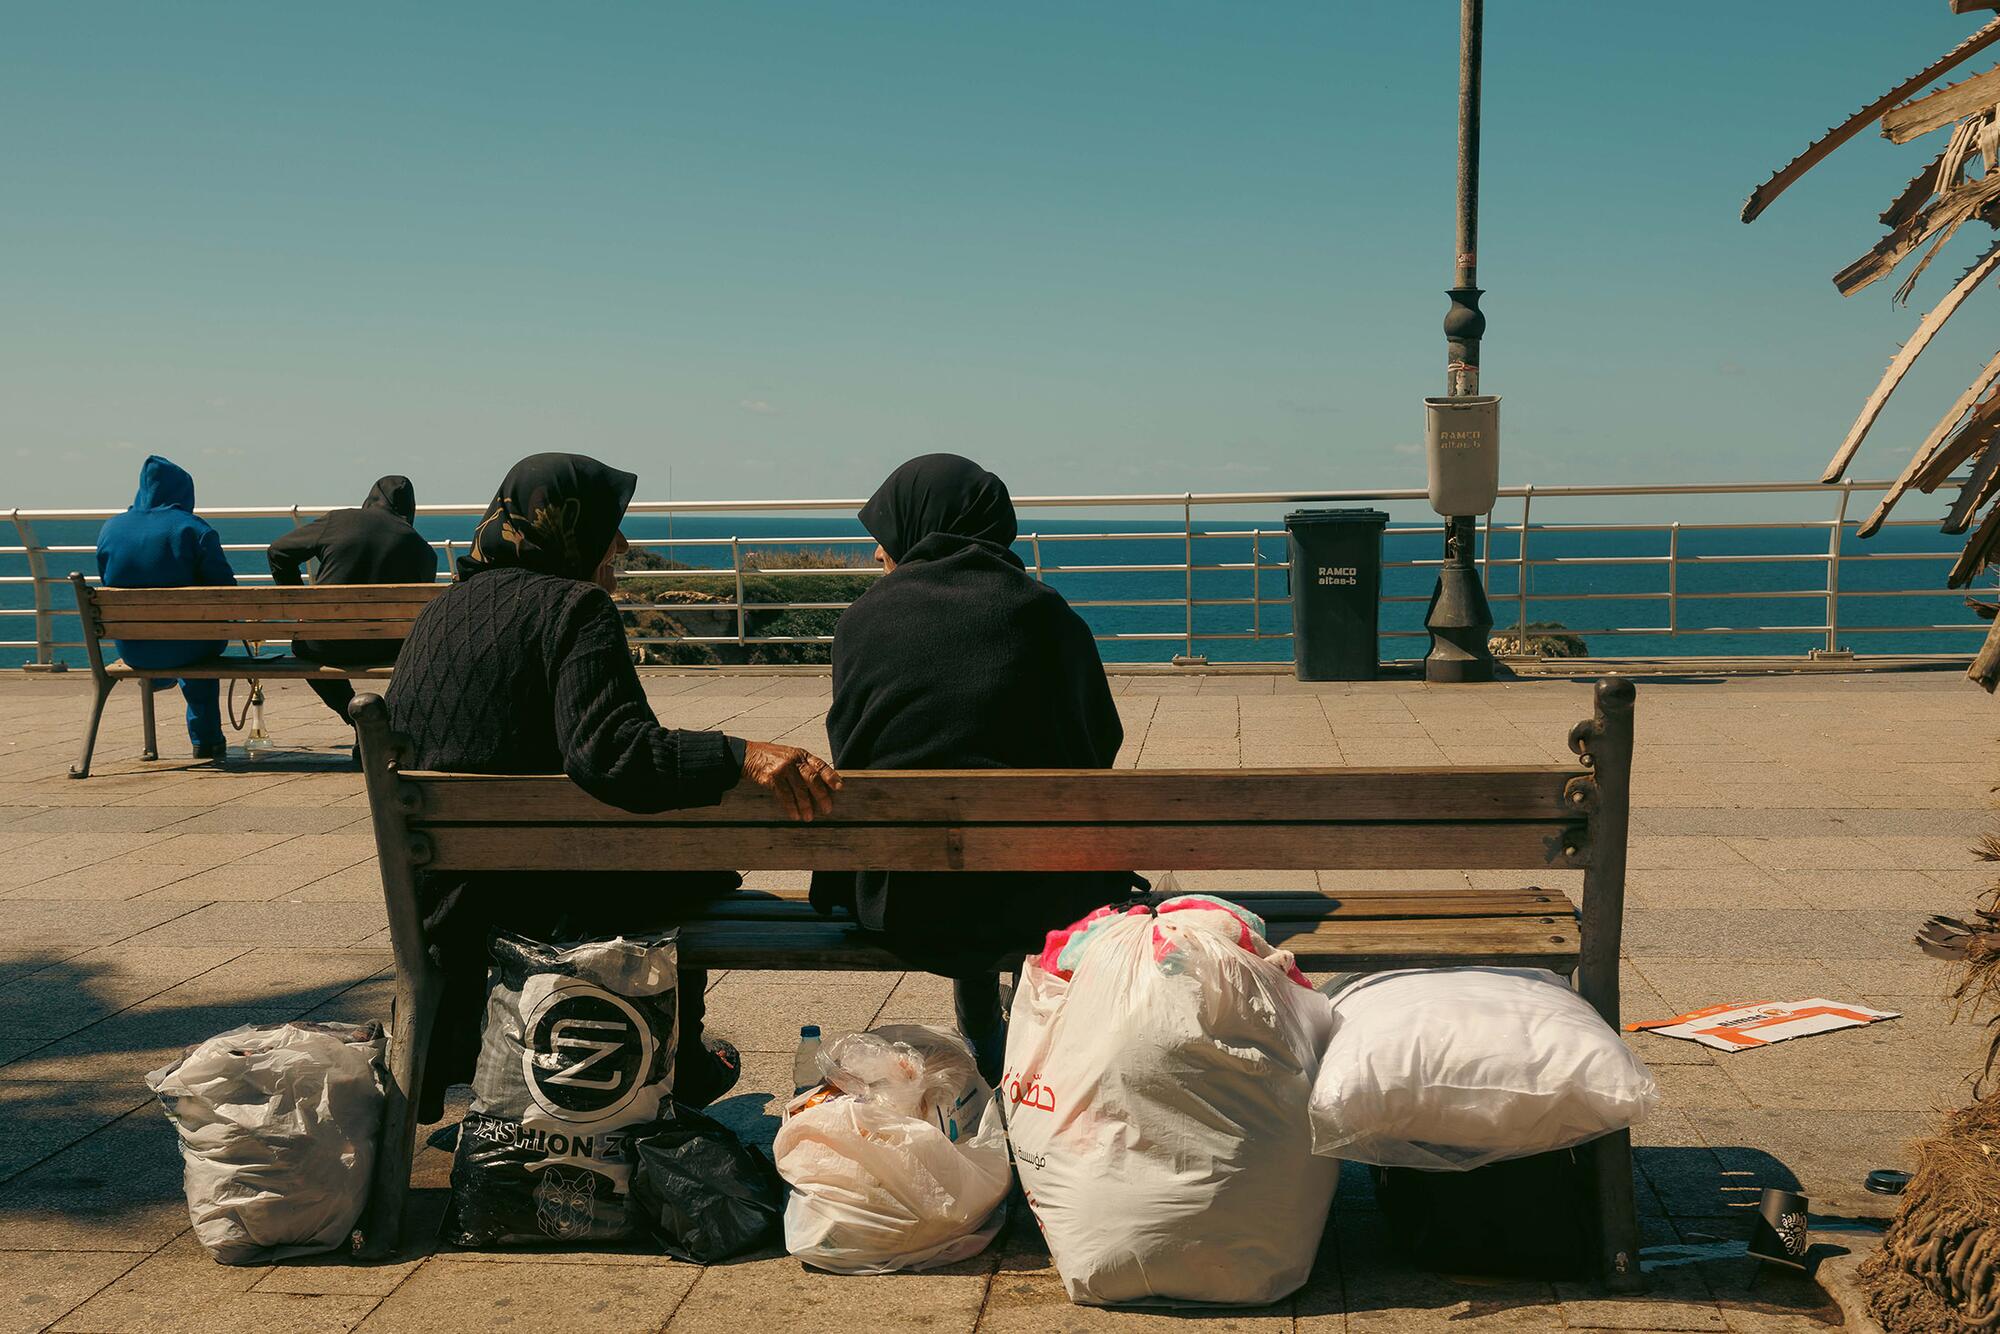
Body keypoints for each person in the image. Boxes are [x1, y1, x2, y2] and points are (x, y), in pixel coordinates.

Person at [385, 453, 841, 1118]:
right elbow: (613, 755)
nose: (622, 546)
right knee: (697, 871)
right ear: (569, 528)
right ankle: (673, 1063)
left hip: (443, 895)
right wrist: (740, 754)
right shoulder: (575, 606)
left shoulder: (441, 611)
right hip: (539, 897)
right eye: (610, 526)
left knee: (679, 866)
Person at [809, 453, 1135, 1080]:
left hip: (903, 904)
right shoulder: (1049, 615)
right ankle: (1015, 1031)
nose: (879, 554)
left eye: (882, 536)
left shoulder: (862, 621)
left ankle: (981, 1021)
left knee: (956, 868)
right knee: (1017, 865)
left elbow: (852, 747)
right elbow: (1103, 741)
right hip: (1045, 897)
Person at [266, 475, 439, 728]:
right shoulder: (423, 550)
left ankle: (357, 719)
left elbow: (278, 552)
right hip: (389, 648)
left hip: (323, 645)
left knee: (303, 647)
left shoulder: (340, 520)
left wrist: (301, 607)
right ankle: (381, 724)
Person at [95, 455, 237, 758]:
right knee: (196, 641)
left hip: (134, 647)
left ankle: (161, 677)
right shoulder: (193, 529)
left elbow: (107, 580)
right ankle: (206, 739)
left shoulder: (111, 529)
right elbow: (226, 592)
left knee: (180, 637)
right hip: (190, 648)